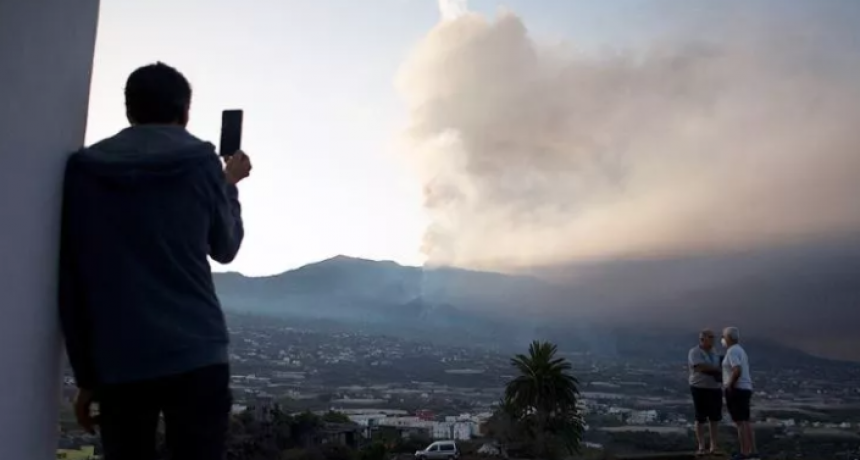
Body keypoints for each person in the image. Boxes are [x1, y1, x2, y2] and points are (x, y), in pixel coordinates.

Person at [58, 62, 252, 460]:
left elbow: (73, 278)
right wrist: (229, 185)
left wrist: (87, 375)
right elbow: (225, 246)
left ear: (129, 110)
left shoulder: (86, 170)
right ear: (184, 113)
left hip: (121, 359)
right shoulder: (202, 164)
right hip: (198, 352)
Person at [721, 326, 758, 460]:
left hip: (737, 389)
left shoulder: (732, 351)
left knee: (739, 422)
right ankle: (752, 451)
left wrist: (730, 385)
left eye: (724, 336)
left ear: (728, 338)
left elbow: (737, 370)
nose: (722, 339)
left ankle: (744, 452)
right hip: (746, 388)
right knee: (746, 421)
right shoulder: (741, 350)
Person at [688, 329, 723, 455]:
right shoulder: (694, 352)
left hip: (715, 388)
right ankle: (701, 447)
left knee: (715, 418)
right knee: (700, 417)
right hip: (699, 388)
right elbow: (700, 367)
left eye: (713, 337)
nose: (713, 339)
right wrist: (717, 370)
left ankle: (714, 446)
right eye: (710, 337)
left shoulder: (715, 352)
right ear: (702, 339)